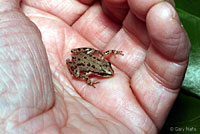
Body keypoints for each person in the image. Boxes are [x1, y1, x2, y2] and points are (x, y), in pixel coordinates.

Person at [0, 0, 190, 133]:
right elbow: (82, 73)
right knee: (80, 66)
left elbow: (104, 55)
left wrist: (113, 54)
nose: (108, 72)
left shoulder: (103, 64)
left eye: (107, 69)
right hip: (78, 60)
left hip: (85, 55)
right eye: (105, 71)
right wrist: (88, 80)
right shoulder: (90, 71)